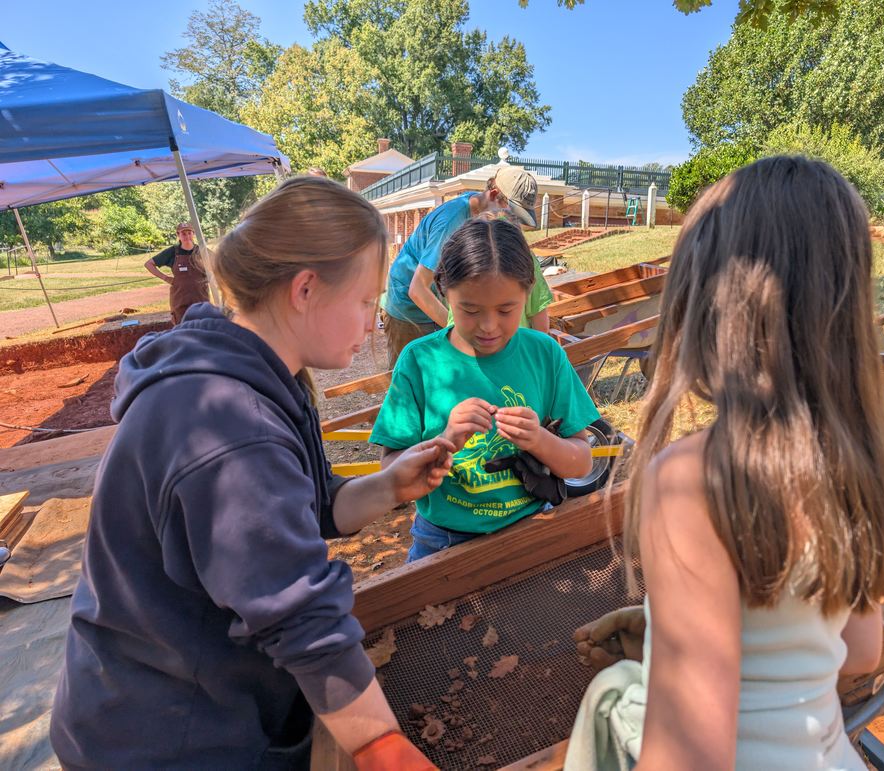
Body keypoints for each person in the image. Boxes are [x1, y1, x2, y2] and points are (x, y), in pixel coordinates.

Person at [52, 177, 449, 770]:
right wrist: (379, 743)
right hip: (166, 735)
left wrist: (390, 486)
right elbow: (295, 611)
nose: (372, 323)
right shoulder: (233, 427)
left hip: (173, 698)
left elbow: (308, 512)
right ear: (306, 289)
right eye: (366, 302)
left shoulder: (259, 374)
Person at [565, 156, 884, 770]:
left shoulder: (691, 479)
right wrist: (669, 626)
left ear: (708, 306)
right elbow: (856, 650)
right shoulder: (856, 463)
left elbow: (689, 759)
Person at [370, 218, 598, 561]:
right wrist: (443, 442)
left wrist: (538, 439)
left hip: (532, 529)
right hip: (443, 541)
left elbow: (581, 462)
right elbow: (389, 472)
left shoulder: (544, 354)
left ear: (529, 293)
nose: (489, 326)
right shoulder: (420, 361)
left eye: (507, 310)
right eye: (470, 310)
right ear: (444, 292)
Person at [381, 166, 542, 365]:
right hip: (408, 309)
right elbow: (417, 290)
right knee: (410, 381)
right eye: (512, 211)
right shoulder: (451, 222)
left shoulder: (478, 210)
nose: (513, 220)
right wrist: (460, 330)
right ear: (494, 195)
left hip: (435, 303)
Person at [145, 222, 210, 325]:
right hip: (180, 302)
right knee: (182, 329)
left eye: (189, 233)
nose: (187, 236)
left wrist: (210, 278)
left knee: (203, 328)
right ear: (178, 235)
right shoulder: (173, 252)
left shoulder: (201, 251)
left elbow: (219, 264)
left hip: (201, 299)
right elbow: (149, 264)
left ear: (193, 233)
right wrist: (166, 278)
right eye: (183, 233)